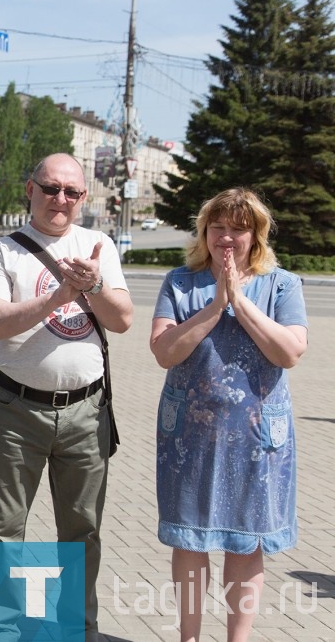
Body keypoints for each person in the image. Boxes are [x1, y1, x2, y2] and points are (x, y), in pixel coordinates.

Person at [0, 153, 133, 641]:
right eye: (50, 188)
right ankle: (4, 629)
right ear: (30, 189)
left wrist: (95, 284)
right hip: (14, 411)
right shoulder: (1, 251)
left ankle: (74, 628)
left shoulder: (98, 245)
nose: (60, 200)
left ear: (84, 197)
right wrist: (56, 298)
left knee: (81, 530)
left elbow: (123, 319)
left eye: (72, 192)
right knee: (6, 529)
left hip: (87, 412)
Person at [150, 188, 308, 642]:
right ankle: (190, 638)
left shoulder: (282, 284)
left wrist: (240, 300)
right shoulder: (180, 282)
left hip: (259, 439)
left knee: (247, 540)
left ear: (255, 235)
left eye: (238, 228)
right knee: (190, 539)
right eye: (218, 227)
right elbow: (164, 352)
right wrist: (216, 305)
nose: (226, 237)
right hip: (189, 438)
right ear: (204, 231)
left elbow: (289, 352)